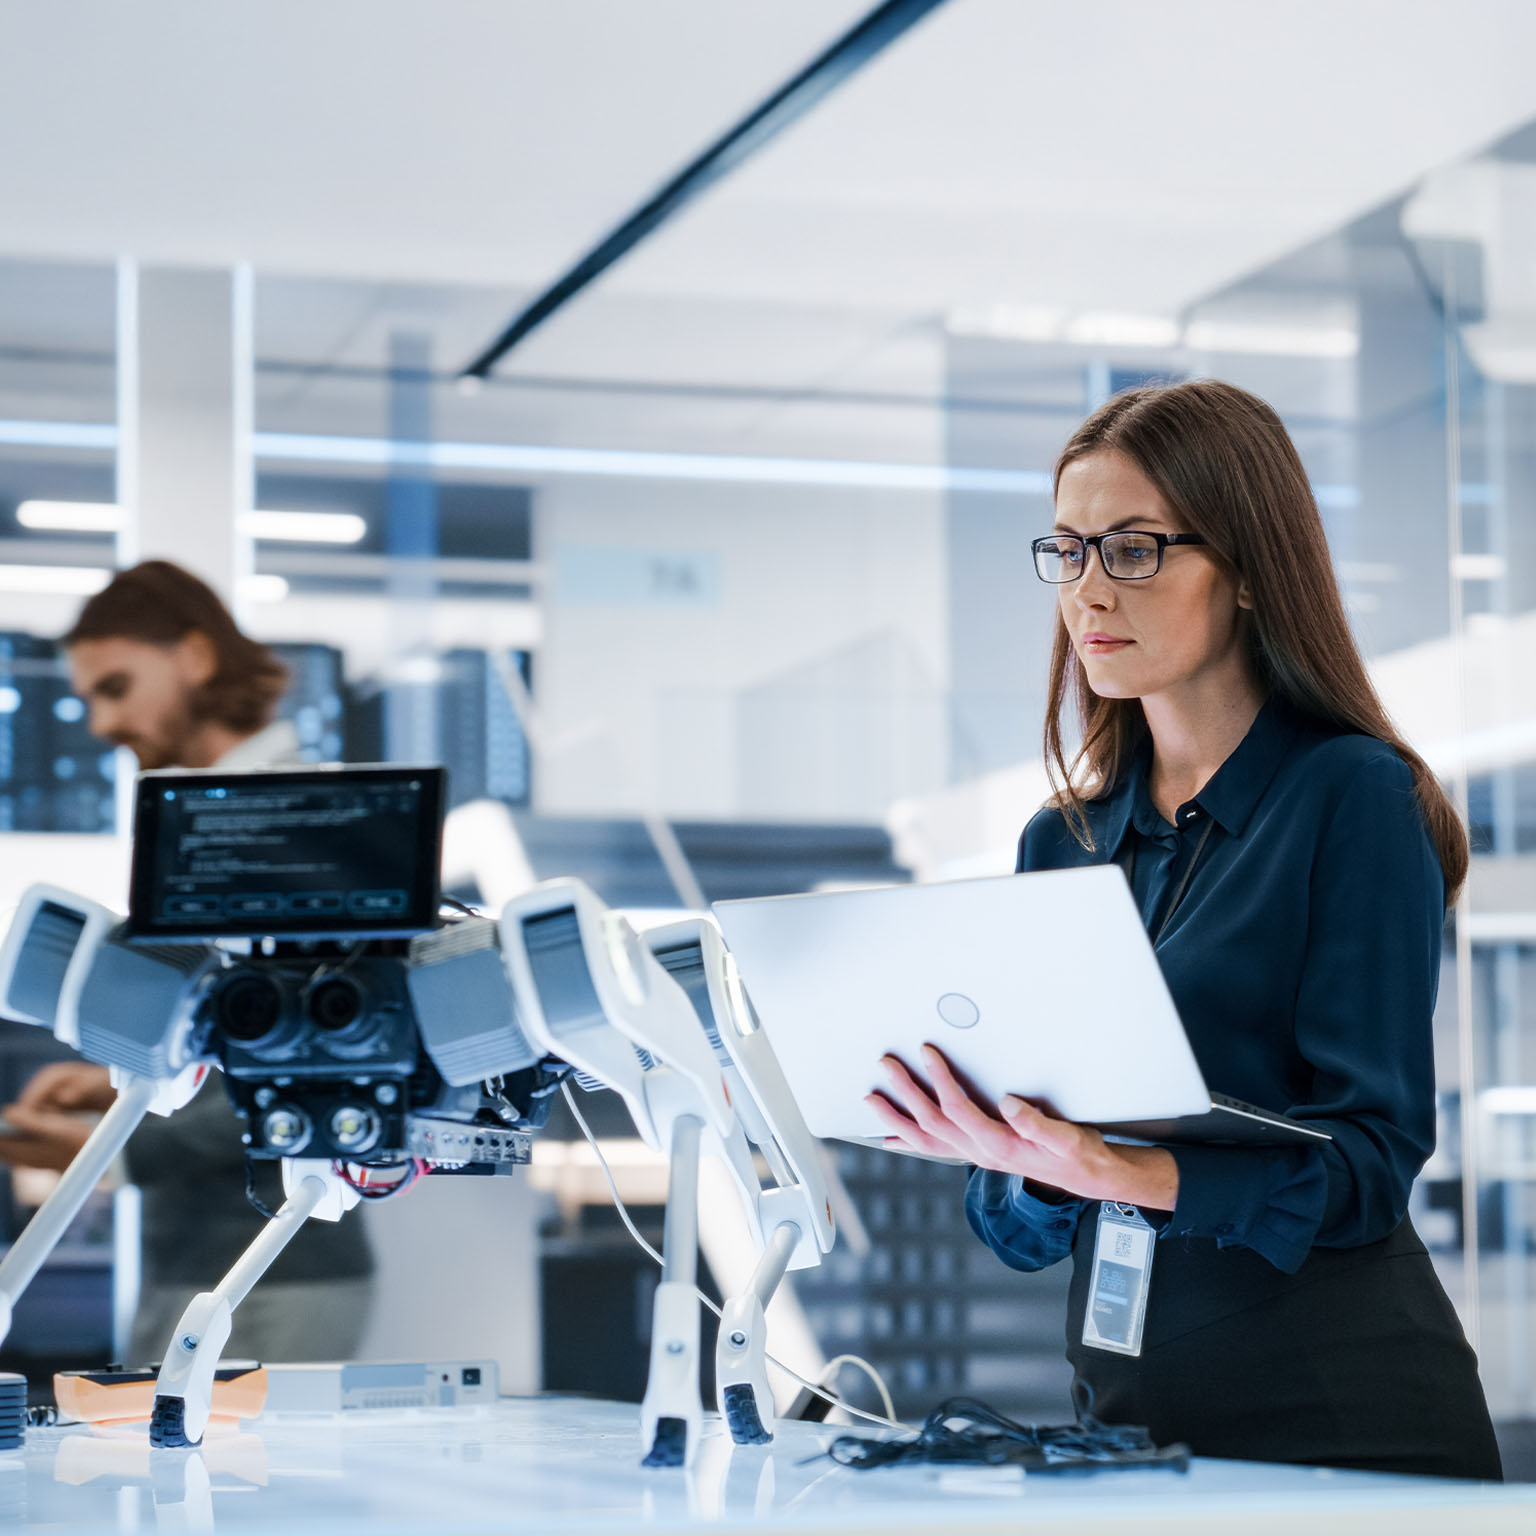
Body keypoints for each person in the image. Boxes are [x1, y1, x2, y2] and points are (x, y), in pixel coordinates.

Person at [867, 381, 1502, 1479]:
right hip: (1129, 1422)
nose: (1090, 591)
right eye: (1068, 551)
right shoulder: (1059, 843)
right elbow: (1017, 1233)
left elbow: (1367, 1167)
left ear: (1250, 567)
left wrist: (1122, 1167)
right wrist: (1022, 1164)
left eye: (1135, 549)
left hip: (1344, 1422)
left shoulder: (1352, 796)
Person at [0, 560, 374, 1364]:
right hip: (185, 1261)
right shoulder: (202, 825)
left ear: (196, 659)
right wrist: (112, 1084)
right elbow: (226, 1028)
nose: (101, 723)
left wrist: (100, 1148)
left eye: (116, 687)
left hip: (285, 1269)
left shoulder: (299, 820)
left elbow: (319, 1054)